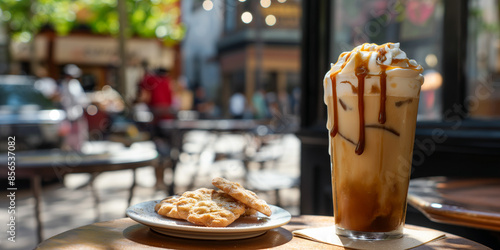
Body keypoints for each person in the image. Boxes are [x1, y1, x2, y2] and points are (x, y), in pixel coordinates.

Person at [59, 64, 90, 151]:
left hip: (74, 114)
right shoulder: (66, 84)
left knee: (77, 134)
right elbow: (78, 99)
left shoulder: (72, 84)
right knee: (71, 135)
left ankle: (76, 148)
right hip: (70, 115)